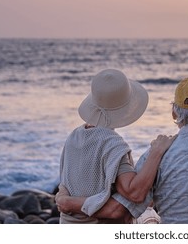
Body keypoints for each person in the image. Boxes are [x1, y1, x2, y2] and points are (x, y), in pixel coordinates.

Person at [57, 77, 188, 223]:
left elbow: (121, 208)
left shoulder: (157, 153)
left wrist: (69, 203)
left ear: (174, 113)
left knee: (148, 215)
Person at [56, 68, 175, 224]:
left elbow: (66, 185)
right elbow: (134, 193)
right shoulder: (112, 144)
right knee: (151, 219)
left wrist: (66, 201)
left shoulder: (73, 136)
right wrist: (157, 152)